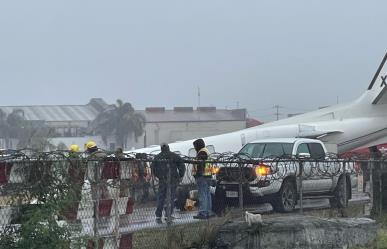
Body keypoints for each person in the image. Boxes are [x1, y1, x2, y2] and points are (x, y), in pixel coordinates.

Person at [151, 143, 185, 224]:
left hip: (162, 179)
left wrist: (158, 176)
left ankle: (158, 216)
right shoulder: (174, 156)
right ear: (168, 147)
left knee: (161, 197)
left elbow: (153, 167)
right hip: (173, 179)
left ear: (161, 148)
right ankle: (168, 215)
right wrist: (180, 175)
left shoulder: (157, 157)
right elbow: (182, 165)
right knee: (171, 197)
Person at [192, 138, 213, 219]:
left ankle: (203, 212)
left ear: (198, 145)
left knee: (202, 194)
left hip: (202, 176)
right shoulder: (206, 151)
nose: (194, 148)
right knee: (207, 194)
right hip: (208, 176)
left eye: (195, 146)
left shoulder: (202, 152)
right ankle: (208, 212)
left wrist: (197, 174)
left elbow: (201, 165)